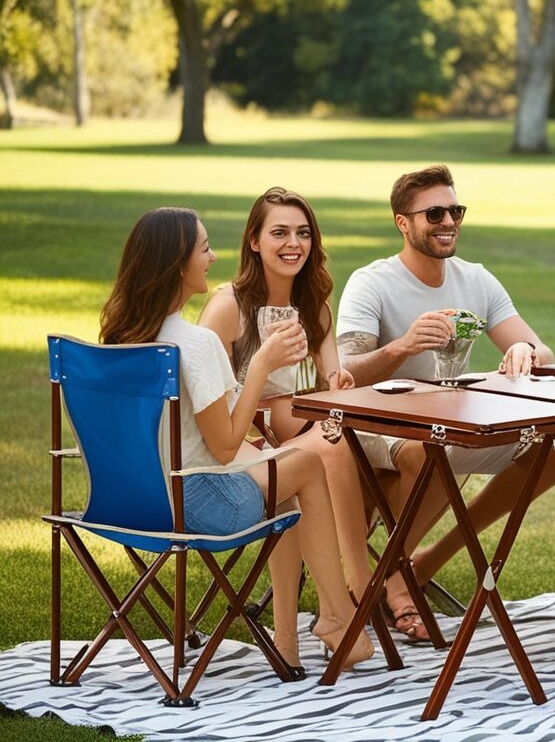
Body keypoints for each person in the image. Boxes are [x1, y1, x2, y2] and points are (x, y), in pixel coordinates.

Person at [100, 206, 373, 676]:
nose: (212, 257)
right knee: (302, 469)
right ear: (176, 263)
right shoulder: (196, 344)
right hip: (198, 504)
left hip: (128, 500)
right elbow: (225, 445)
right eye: (204, 248)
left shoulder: (120, 338)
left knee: (280, 475)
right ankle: (336, 615)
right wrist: (262, 366)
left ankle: (289, 642)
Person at [336, 164, 555, 640]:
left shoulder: (476, 280)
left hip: (448, 421)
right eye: (435, 213)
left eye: (455, 211)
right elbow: (344, 375)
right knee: (435, 449)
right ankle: (397, 582)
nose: (448, 222)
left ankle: (414, 565)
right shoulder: (372, 282)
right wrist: (402, 346)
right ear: (404, 223)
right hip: (374, 423)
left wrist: (525, 350)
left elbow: (541, 351)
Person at [199, 187, 375, 606]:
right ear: (255, 242)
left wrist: (339, 381)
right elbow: (203, 398)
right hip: (235, 446)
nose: (294, 244)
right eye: (279, 233)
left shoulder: (313, 306)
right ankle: (360, 586)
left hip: (288, 433)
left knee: (336, 443)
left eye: (303, 233)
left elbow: (333, 382)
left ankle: (352, 592)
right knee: (331, 451)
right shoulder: (229, 307)